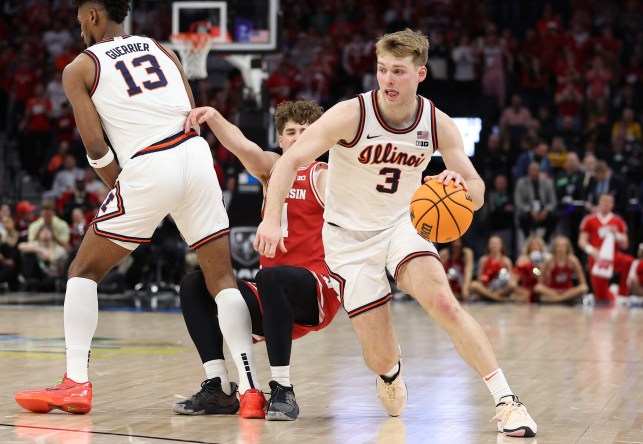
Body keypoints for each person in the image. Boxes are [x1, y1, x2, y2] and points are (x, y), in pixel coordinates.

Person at [254, 29, 536, 437]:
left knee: (443, 301)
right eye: (382, 69)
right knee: (379, 356)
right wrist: (271, 217)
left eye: (398, 71)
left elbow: (476, 192)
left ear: (420, 74)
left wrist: (460, 186)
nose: (387, 79)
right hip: (348, 240)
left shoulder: (436, 123)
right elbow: (290, 160)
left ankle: (507, 401)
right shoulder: (351, 114)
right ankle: (391, 373)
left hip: (403, 224)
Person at [15, 0, 262, 417]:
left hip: (148, 162)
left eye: (80, 21)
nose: (79, 31)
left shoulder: (80, 67)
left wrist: (124, 188)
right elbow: (189, 113)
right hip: (195, 155)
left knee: (83, 271)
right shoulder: (161, 48)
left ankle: (76, 383)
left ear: (93, 15)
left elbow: (95, 146)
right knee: (221, 278)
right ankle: (251, 392)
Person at [172, 99, 339, 420]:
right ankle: (219, 386)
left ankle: (282, 388)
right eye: (291, 132)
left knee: (270, 277)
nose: (298, 138)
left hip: (316, 290)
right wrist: (216, 117)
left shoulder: (325, 175)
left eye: (307, 132)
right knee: (195, 284)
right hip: (271, 294)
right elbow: (241, 146)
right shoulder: (271, 169)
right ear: (280, 140)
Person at [578, 193, 634, 305]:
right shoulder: (589, 220)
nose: (606, 204)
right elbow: (581, 241)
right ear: (599, 202)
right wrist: (592, 251)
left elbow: (625, 244)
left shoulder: (618, 221)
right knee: (602, 298)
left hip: (614, 256)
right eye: (604, 201)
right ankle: (612, 293)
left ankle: (623, 293)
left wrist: (616, 234)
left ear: (613, 204)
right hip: (597, 258)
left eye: (609, 202)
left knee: (629, 261)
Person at [533, 236, 588, 304]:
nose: (560, 249)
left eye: (563, 246)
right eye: (558, 246)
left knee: (583, 288)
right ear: (554, 248)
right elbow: (540, 282)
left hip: (568, 291)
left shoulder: (573, 260)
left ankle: (558, 299)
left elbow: (583, 284)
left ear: (567, 248)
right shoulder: (548, 261)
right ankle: (563, 299)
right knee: (538, 288)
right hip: (553, 290)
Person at [468, 235, 515, 302]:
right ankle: (500, 299)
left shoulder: (506, 261)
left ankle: (488, 297)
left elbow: (511, 278)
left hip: (500, 288)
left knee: (512, 285)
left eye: (496, 243)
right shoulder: (483, 260)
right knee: (474, 285)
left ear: (501, 245)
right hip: (486, 287)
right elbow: (479, 277)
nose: (494, 245)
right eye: (492, 243)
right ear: (488, 245)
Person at [510, 236, 549, 303]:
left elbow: (544, 275)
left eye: (536, 245)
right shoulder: (523, 259)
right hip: (526, 286)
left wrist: (538, 268)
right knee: (513, 286)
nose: (534, 247)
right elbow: (516, 275)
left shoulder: (546, 258)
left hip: (540, 285)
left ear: (540, 246)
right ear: (528, 247)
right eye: (532, 245)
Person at [439, 238, 474, 302]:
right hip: (449, 285)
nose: (456, 244)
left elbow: (468, 272)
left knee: (474, 285)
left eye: (458, 242)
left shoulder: (467, 253)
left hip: (462, 283)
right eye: (454, 242)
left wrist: (465, 288)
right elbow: (440, 274)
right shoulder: (444, 254)